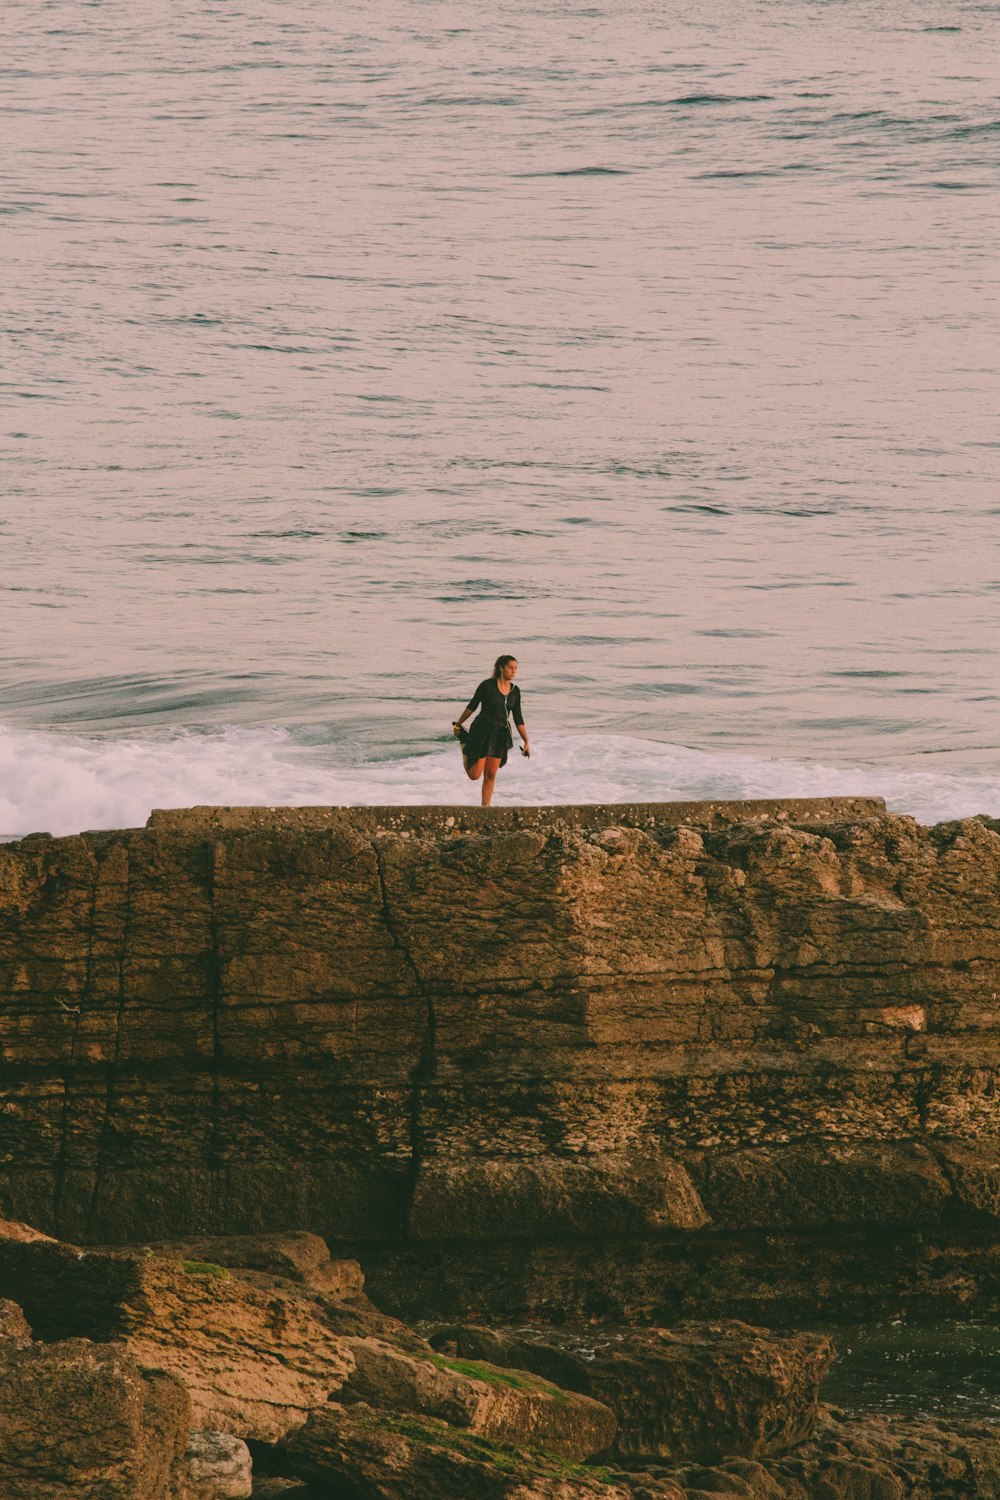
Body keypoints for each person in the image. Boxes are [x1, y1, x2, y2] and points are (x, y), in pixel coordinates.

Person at [452, 654, 530, 806]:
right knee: (474, 775)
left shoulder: (515, 691)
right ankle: (464, 742)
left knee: (491, 774)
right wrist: (459, 724)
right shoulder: (487, 686)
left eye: (516, 669)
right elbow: (472, 706)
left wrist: (526, 740)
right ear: (501, 668)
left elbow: (518, 718)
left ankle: (485, 808)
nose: (513, 672)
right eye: (510, 668)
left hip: (500, 734)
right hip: (482, 731)